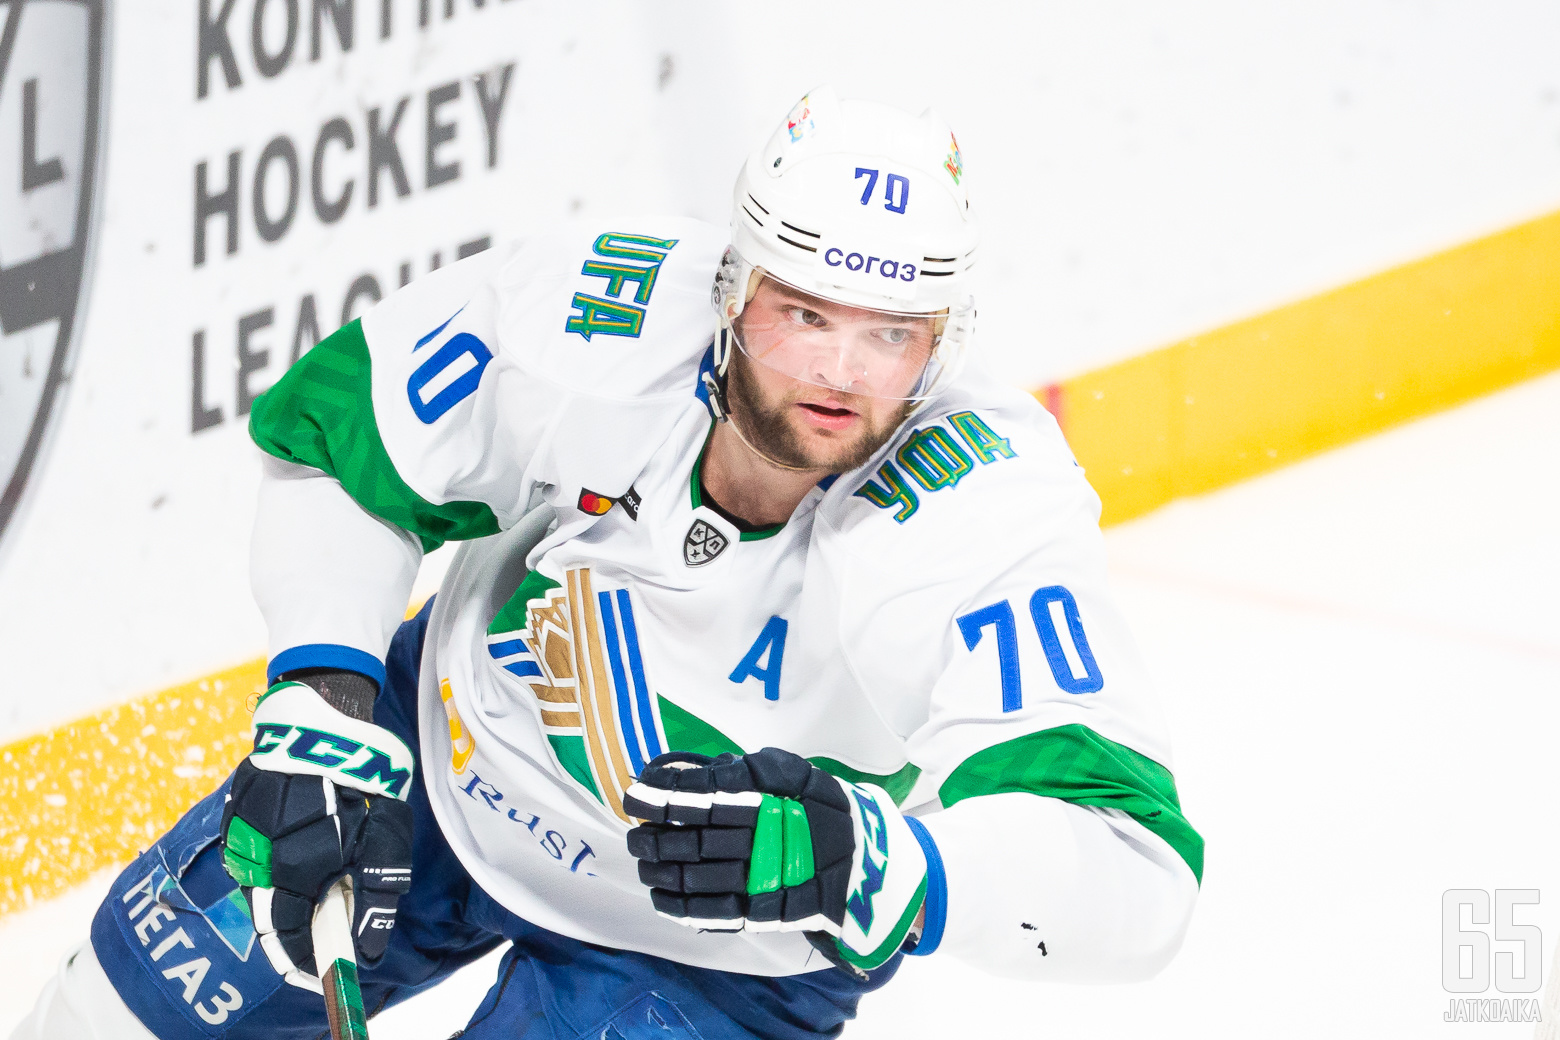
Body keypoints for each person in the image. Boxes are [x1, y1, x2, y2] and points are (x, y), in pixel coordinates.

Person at [13, 86, 1201, 1040]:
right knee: (105, 1018)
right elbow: (343, 433)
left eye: (894, 334)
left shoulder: (983, 507)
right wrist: (324, 687)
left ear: (944, 339)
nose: (843, 374)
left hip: (718, 961)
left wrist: (890, 860)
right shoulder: (597, 310)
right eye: (805, 315)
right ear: (733, 290)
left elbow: (1135, 874)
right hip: (443, 774)